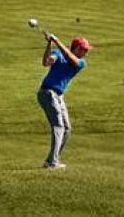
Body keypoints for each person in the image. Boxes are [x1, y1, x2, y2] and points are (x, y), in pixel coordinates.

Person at [37, 33, 91, 169]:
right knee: (58, 126)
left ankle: (51, 159)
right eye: (84, 49)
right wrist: (50, 44)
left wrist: (56, 41)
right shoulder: (58, 54)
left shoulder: (80, 63)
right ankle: (52, 162)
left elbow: (71, 58)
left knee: (67, 128)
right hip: (47, 93)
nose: (86, 52)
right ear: (76, 48)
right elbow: (46, 62)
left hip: (58, 96)